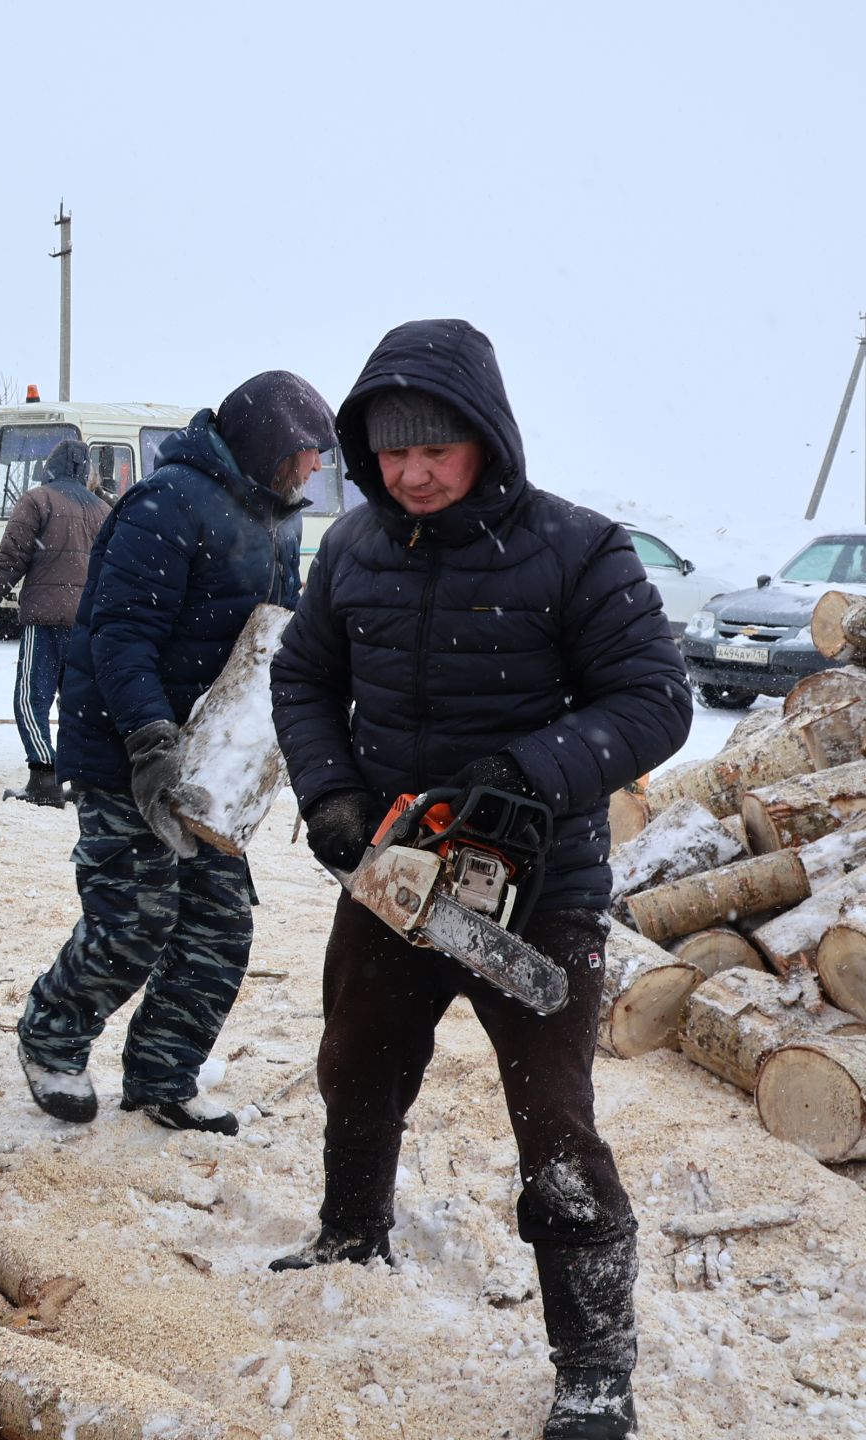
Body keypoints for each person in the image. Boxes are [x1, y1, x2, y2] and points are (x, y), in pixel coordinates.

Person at [269, 320, 691, 1440]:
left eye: (434, 449)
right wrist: (329, 797)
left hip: (537, 895)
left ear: (486, 441)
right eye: (389, 451)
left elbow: (656, 699)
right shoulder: (353, 548)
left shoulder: (580, 551)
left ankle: (595, 1366)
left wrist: (530, 770)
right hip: (397, 877)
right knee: (354, 1068)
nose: (411, 472)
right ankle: (352, 1230)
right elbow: (303, 674)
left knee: (554, 1123)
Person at [16, 372, 337, 1135]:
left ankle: (164, 1074)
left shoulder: (277, 519)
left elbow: (269, 638)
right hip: (127, 746)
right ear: (266, 445)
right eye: (306, 452)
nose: (316, 469)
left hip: (209, 761)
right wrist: (150, 742)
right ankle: (52, 1038)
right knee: (135, 918)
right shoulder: (165, 506)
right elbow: (121, 636)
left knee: (218, 929)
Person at [0, 438, 111, 807]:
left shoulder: (37, 501)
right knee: (77, 704)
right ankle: (78, 779)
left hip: (45, 620)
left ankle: (43, 777)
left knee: (31, 698)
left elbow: (10, 560)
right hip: (86, 624)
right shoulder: (102, 510)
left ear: (50, 467)